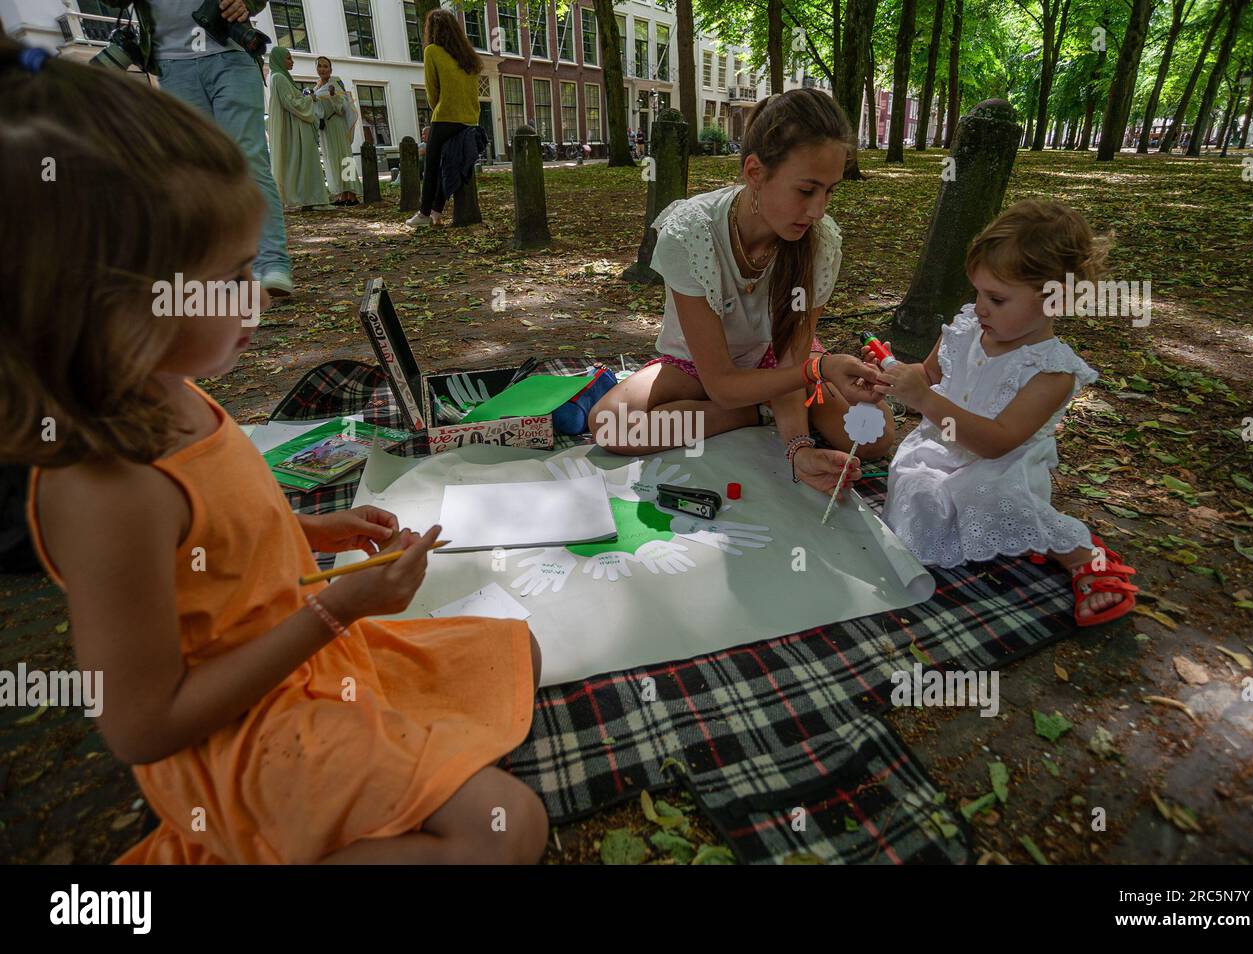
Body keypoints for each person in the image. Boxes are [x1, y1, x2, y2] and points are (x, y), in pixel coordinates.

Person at [0, 42, 547, 864]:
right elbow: (144, 726)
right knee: (508, 832)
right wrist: (337, 608)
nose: (256, 298)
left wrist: (311, 532)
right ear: (110, 303)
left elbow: (213, 550)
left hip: (310, 660)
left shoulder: (174, 388)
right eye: (231, 276)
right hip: (246, 728)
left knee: (517, 647)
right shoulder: (102, 487)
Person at [588, 88, 892, 500]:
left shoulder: (820, 244)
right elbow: (722, 385)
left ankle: (771, 411)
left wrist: (798, 448)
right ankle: (757, 413)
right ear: (755, 173)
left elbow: (790, 356)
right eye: (806, 190)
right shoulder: (690, 233)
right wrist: (814, 376)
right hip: (699, 369)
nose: (818, 210)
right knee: (611, 424)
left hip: (782, 366)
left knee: (875, 437)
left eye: (830, 191)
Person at [871, 200, 1139, 627]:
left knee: (992, 497)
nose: (979, 307)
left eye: (996, 298)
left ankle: (1083, 556)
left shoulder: (1050, 371)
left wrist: (923, 399)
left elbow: (995, 443)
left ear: (1056, 299)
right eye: (977, 292)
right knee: (916, 494)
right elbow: (928, 373)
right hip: (938, 449)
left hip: (998, 469)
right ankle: (1004, 537)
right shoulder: (965, 329)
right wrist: (888, 378)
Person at [105, 0, 295, 297]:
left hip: (230, 51)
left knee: (247, 159)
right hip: (171, 63)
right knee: (202, 171)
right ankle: (226, 269)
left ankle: (272, 264)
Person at [405, 9, 483, 227]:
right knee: (449, 163)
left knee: (431, 167)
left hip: (445, 116)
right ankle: (437, 212)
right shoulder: (469, 57)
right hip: (470, 120)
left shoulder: (432, 52)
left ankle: (423, 214)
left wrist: (438, 110)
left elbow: (432, 92)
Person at [265, 46, 330, 211]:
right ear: (279, 60)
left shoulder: (281, 77)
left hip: (297, 127)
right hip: (295, 129)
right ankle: (309, 198)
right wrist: (309, 99)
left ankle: (308, 197)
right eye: (288, 58)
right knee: (304, 161)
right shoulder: (279, 77)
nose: (292, 61)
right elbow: (290, 103)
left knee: (302, 162)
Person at [312, 56, 360, 206]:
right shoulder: (316, 87)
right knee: (332, 159)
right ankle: (341, 194)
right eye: (320, 66)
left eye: (325, 66)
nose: (322, 69)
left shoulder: (336, 82)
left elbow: (342, 107)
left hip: (337, 124)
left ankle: (352, 194)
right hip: (325, 127)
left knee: (344, 156)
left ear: (331, 69)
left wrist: (333, 96)